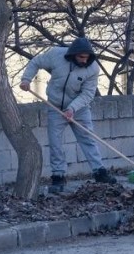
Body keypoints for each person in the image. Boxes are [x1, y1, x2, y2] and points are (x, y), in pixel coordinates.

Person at [19, 37, 114, 194]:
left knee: (88, 139)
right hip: (55, 106)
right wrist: (26, 79)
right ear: (73, 54)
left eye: (87, 58)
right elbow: (36, 62)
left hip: (80, 108)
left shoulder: (93, 69)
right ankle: (58, 176)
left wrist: (72, 109)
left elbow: (88, 93)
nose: (84, 61)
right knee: (55, 142)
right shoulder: (56, 55)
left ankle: (99, 172)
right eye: (81, 57)